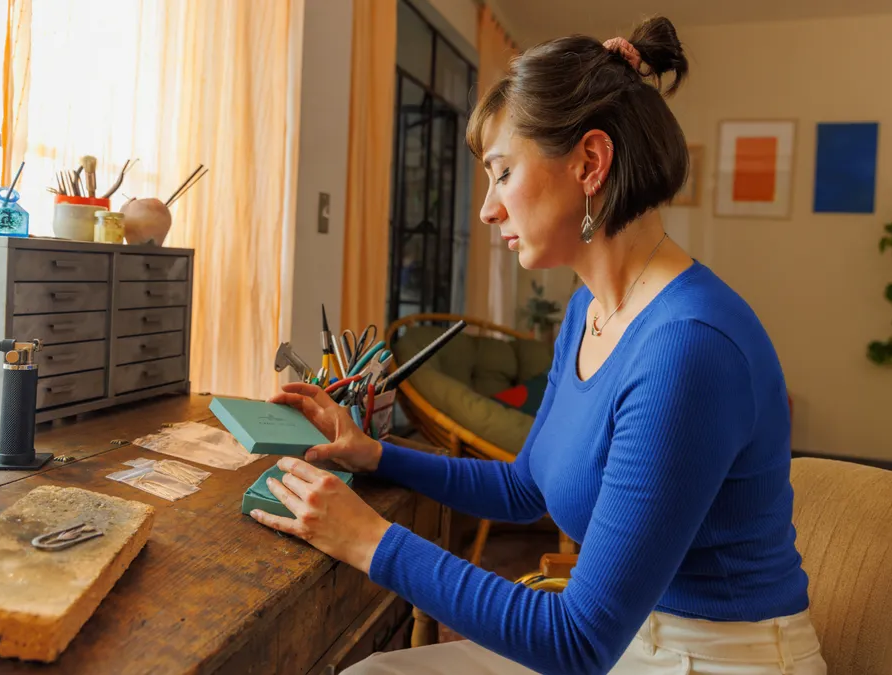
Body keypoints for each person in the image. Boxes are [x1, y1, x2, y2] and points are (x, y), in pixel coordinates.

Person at [255, 16, 827, 675]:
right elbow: (528, 486)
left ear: (590, 163)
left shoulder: (687, 349)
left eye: (501, 173)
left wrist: (371, 541)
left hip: (710, 658)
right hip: (635, 639)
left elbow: (577, 642)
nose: (487, 209)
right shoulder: (589, 309)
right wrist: (378, 453)